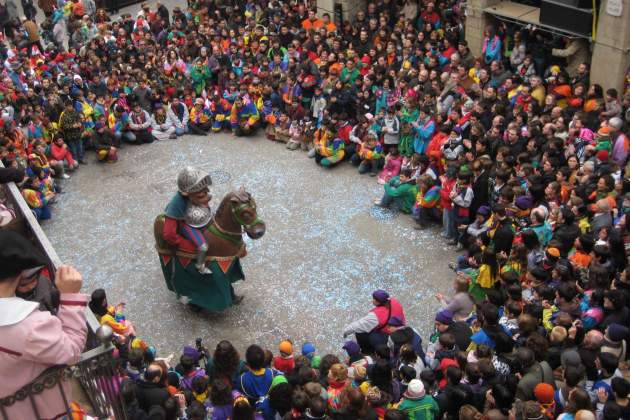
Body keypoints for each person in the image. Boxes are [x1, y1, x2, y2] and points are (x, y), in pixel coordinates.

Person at [0, 230, 87, 419]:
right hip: (44, 411)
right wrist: (70, 296)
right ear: (19, 273)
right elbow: (71, 351)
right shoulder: (29, 325)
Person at [343, 289, 406, 354]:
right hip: (400, 330)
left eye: (374, 299)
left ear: (378, 302)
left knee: (360, 333)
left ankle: (367, 352)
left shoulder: (376, 315)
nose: (372, 300)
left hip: (390, 336)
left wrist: (346, 331)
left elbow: (359, 325)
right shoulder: (394, 301)